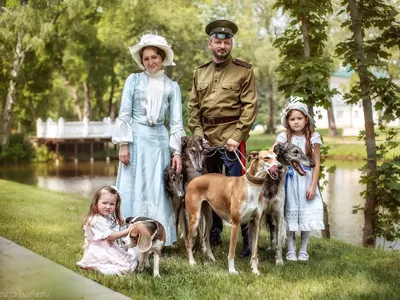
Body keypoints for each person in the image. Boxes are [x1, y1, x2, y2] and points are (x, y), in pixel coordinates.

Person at [187, 20, 258, 257]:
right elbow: (193, 107)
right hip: (206, 141)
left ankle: (247, 243)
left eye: (226, 42)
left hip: (232, 139)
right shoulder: (200, 72)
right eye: (218, 41)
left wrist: (236, 137)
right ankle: (213, 235)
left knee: (242, 191)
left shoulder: (244, 70)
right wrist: (198, 136)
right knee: (211, 190)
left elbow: (249, 107)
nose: (222, 46)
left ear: (231, 44)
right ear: (210, 43)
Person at [112, 33, 185, 246]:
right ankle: (128, 235)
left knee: (157, 188)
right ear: (141, 61)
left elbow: (176, 122)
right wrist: (123, 143)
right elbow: (124, 113)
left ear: (162, 58)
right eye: (146, 58)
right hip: (136, 139)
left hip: (159, 142)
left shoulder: (172, 87)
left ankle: (157, 237)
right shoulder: (133, 80)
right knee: (132, 186)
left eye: (154, 57)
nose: (150, 62)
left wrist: (177, 152)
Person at [271, 101, 325, 261]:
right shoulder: (283, 137)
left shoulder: (313, 137)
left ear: (306, 119)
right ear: (287, 121)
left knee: (306, 215)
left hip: (306, 180)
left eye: (299, 118)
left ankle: (303, 249)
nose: (296, 122)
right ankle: (290, 248)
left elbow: (316, 164)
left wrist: (313, 186)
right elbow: (271, 153)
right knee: (289, 214)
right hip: (288, 182)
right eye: (292, 119)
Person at [76, 186, 138, 276]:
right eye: (104, 203)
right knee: (125, 267)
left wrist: (126, 222)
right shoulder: (96, 219)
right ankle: (97, 268)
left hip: (106, 246)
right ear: (96, 203)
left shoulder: (104, 216)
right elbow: (110, 236)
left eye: (112, 204)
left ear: (116, 205)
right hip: (99, 249)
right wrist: (128, 230)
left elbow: (113, 224)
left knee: (130, 260)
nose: (108, 207)